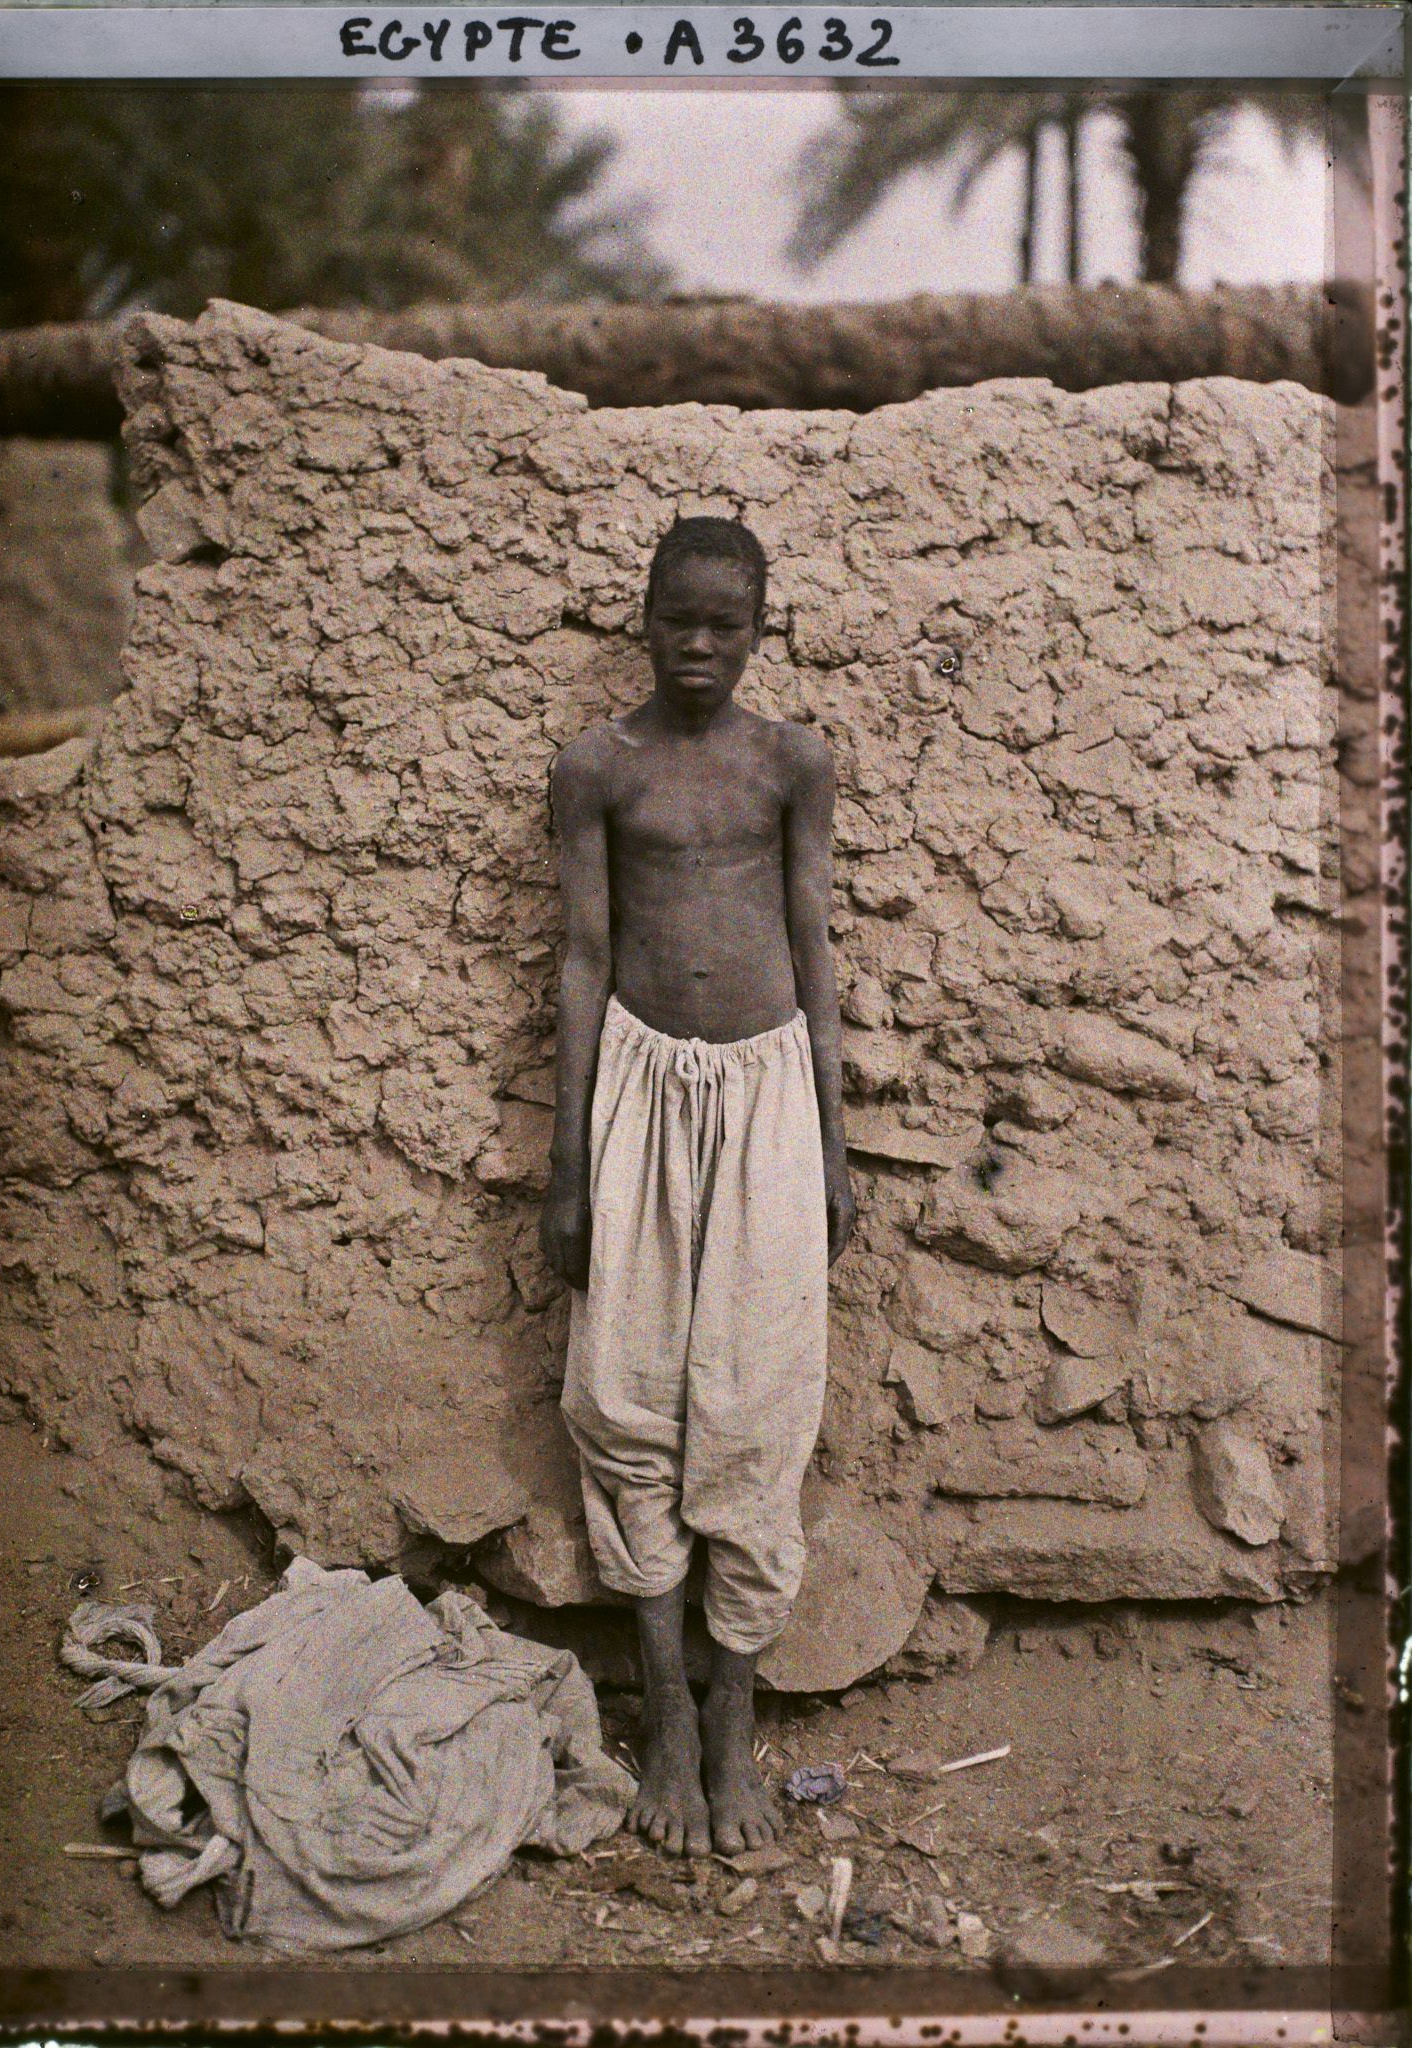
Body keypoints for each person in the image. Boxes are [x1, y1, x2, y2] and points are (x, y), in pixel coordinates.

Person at [539, 515, 855, 1858]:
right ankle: (664, 1714)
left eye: (727, 624)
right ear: (646, 620)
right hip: (638, 1094)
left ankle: (732, 1720)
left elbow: (816, 946)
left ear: (760, 629)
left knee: (758, 1403)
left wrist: (834, 1151)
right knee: (624, 1398)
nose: (700, 646)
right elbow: (579, 956)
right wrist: (567, 1164)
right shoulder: (598, 770)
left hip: (772, 1096)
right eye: (680, 620)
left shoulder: (794, 764)